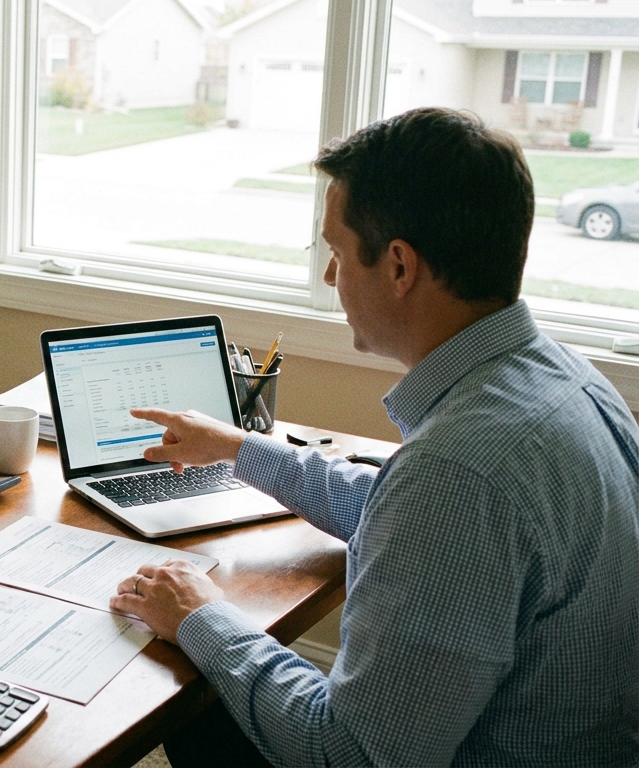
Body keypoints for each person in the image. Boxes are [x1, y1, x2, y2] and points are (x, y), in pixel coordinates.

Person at [109, 108, 639, 766]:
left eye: (335, 252)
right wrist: (236, 447)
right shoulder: (564, 382)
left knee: (194, 686)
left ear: (398, 267)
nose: (331, 280)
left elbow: (348, 753)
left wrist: (200, 614)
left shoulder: (456, 472)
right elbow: (402, 514)